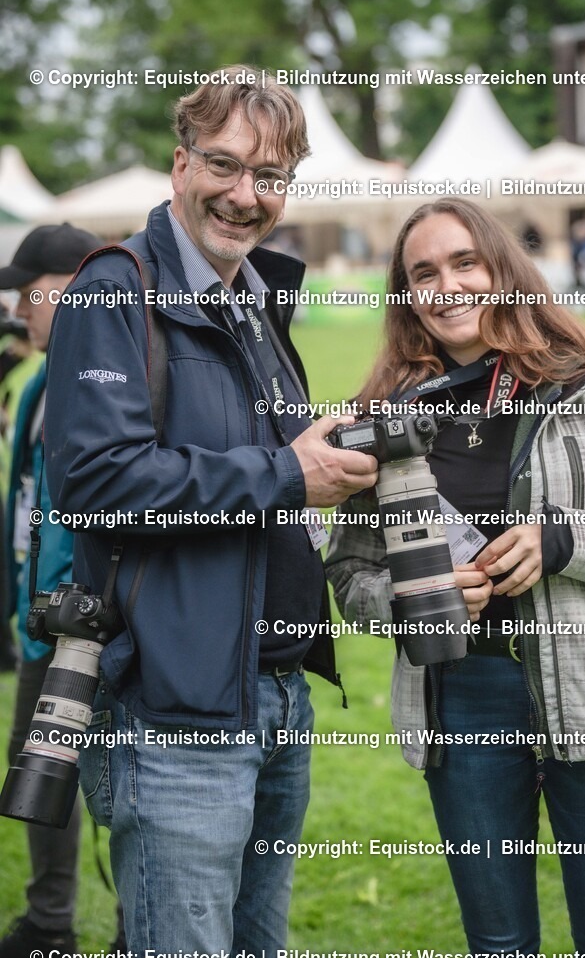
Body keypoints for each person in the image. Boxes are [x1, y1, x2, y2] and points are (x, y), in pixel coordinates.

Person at [43, 65, 377, 953]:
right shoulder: (113, 290)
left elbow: (268, 468)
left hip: (275, 696)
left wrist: (330, 453)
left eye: (269, 178)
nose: (244, 195)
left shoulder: (257, 300)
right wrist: (282, 473)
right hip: (176, 709)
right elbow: (98, 484)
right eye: (224, 166)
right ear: (180, 163)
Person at [326, 197, 585, 957]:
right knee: (496, 943)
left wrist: (563, 540)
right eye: (423, 273)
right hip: (463, 702)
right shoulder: (382, 421)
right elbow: (351, 572)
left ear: (502, 272)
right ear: (407, 295)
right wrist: (414, 602)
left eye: (464, 263)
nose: (446, 285)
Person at [0, 224, 127, 956]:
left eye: (31, 294)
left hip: (94, 628)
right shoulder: (40, 382)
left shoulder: (110, 379)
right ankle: (49, 924)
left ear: (77, 289)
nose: (19, 310)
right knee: (35, 778)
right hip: (36, 628)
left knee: (112, 784)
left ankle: (130, 931)